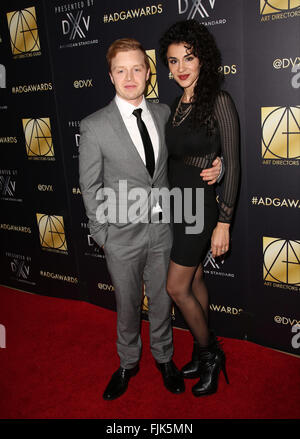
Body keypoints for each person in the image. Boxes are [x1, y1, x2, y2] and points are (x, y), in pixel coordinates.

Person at [79, 38, 222, 400]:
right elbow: (90, 185)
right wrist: (103, 236)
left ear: (147, 73)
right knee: (127, 306)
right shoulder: (94, 126)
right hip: (120, 237)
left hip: (163, 230)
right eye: (121, 70)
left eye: (137, 68)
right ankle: (128, 363)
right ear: (111, 75)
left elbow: (189, 154)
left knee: (161, 302)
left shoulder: (164, 113)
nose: (130, 77)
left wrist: (216, 164)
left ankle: (164, 359)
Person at [159, 20, 240, 397]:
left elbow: (234, 164)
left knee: (176, 287)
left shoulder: (218, 102)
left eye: (188, 58)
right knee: (193, 282)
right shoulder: (175, 104)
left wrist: (224, 221)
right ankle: (200, 346)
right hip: (177, 203)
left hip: (200, 207)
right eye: (173, 61)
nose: (181, 68)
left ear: (202, 59)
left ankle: (211, 355)